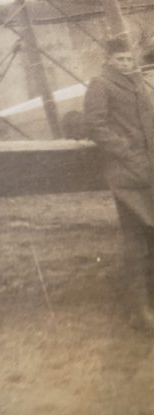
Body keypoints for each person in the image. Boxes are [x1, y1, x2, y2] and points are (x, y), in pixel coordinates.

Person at [84, 37, 154, 331]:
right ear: (108, 59)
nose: (125, 64)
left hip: (147, 170)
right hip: (125, 173)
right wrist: (126, 152)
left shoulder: (136, 84)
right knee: (135, 239)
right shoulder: (100, 84)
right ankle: (140, 310)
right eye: (119, 59)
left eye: (129, 59)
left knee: (149, 235)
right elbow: (95, 125)